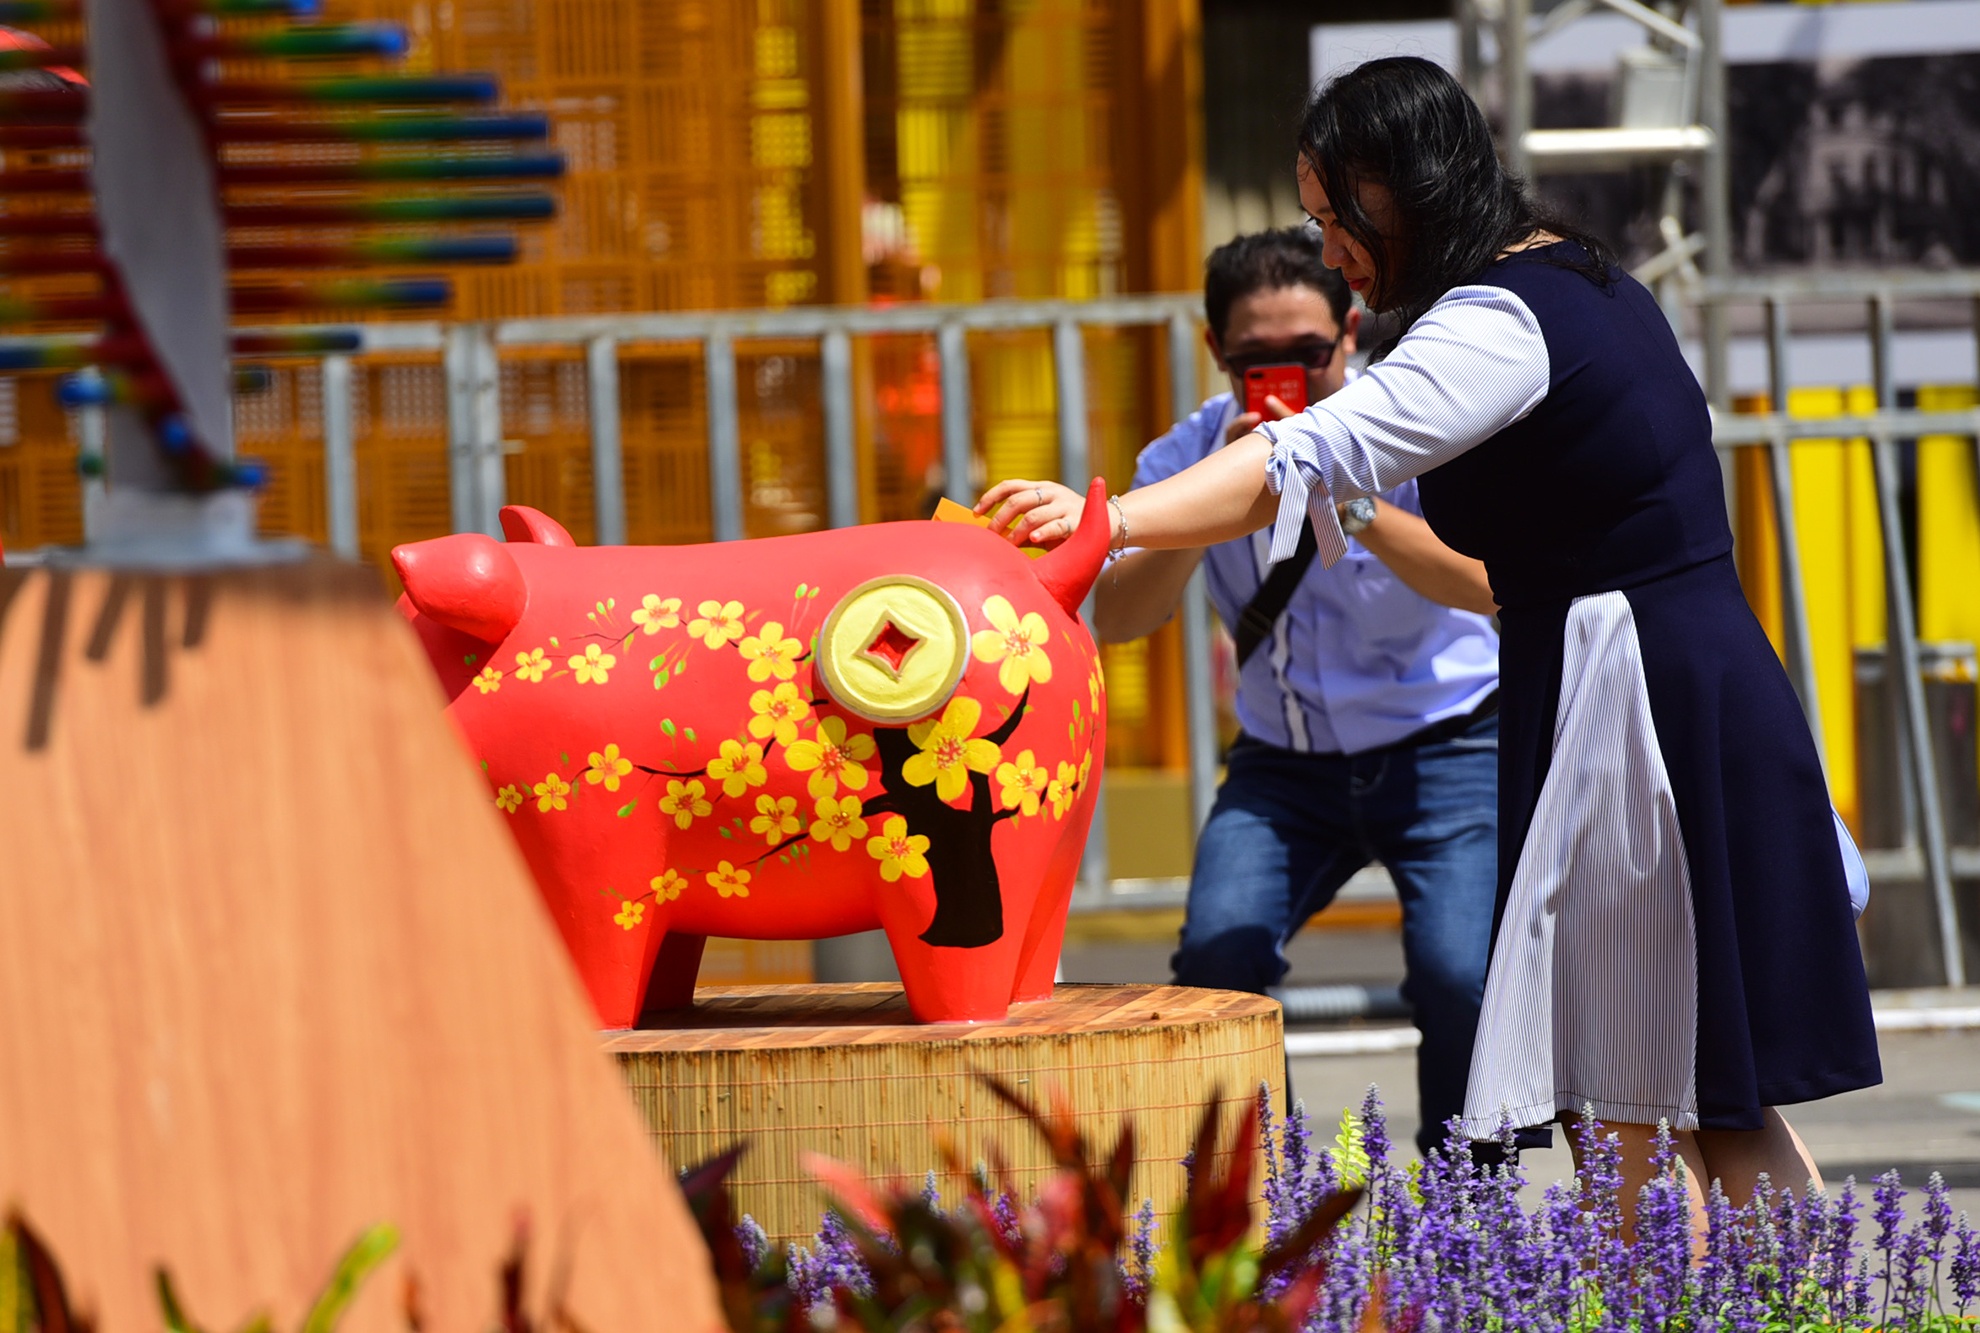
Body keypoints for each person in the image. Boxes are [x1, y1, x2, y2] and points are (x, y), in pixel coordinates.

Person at [978, 56, 1879, 1226]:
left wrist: (1106, 523)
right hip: (1649, 678)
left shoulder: (1501, 320)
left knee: (1630, 1086)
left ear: (1399, 186)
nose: (1331, 248)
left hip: (1633, 699)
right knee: (1694, 1085)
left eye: (1334, 216)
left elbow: (1303, 457)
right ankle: (1798, 1306)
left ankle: (1724, 1302)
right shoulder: (1577, 277)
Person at [1095, 228, 1504, 1160]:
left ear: (1350, 333)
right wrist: (1215, 500)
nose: (1286, 376)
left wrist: (1349, 496)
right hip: (1286, 763)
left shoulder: (1419, 426)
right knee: (1215, 966)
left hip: (1445, 741)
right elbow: (1119, 618)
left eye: (1307, 357)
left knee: (1462, 978)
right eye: (1256, 360)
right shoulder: (1192, 449)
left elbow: (1485, 585)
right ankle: (1273, 1208)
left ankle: (1467, 1222)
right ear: (1215, 352)